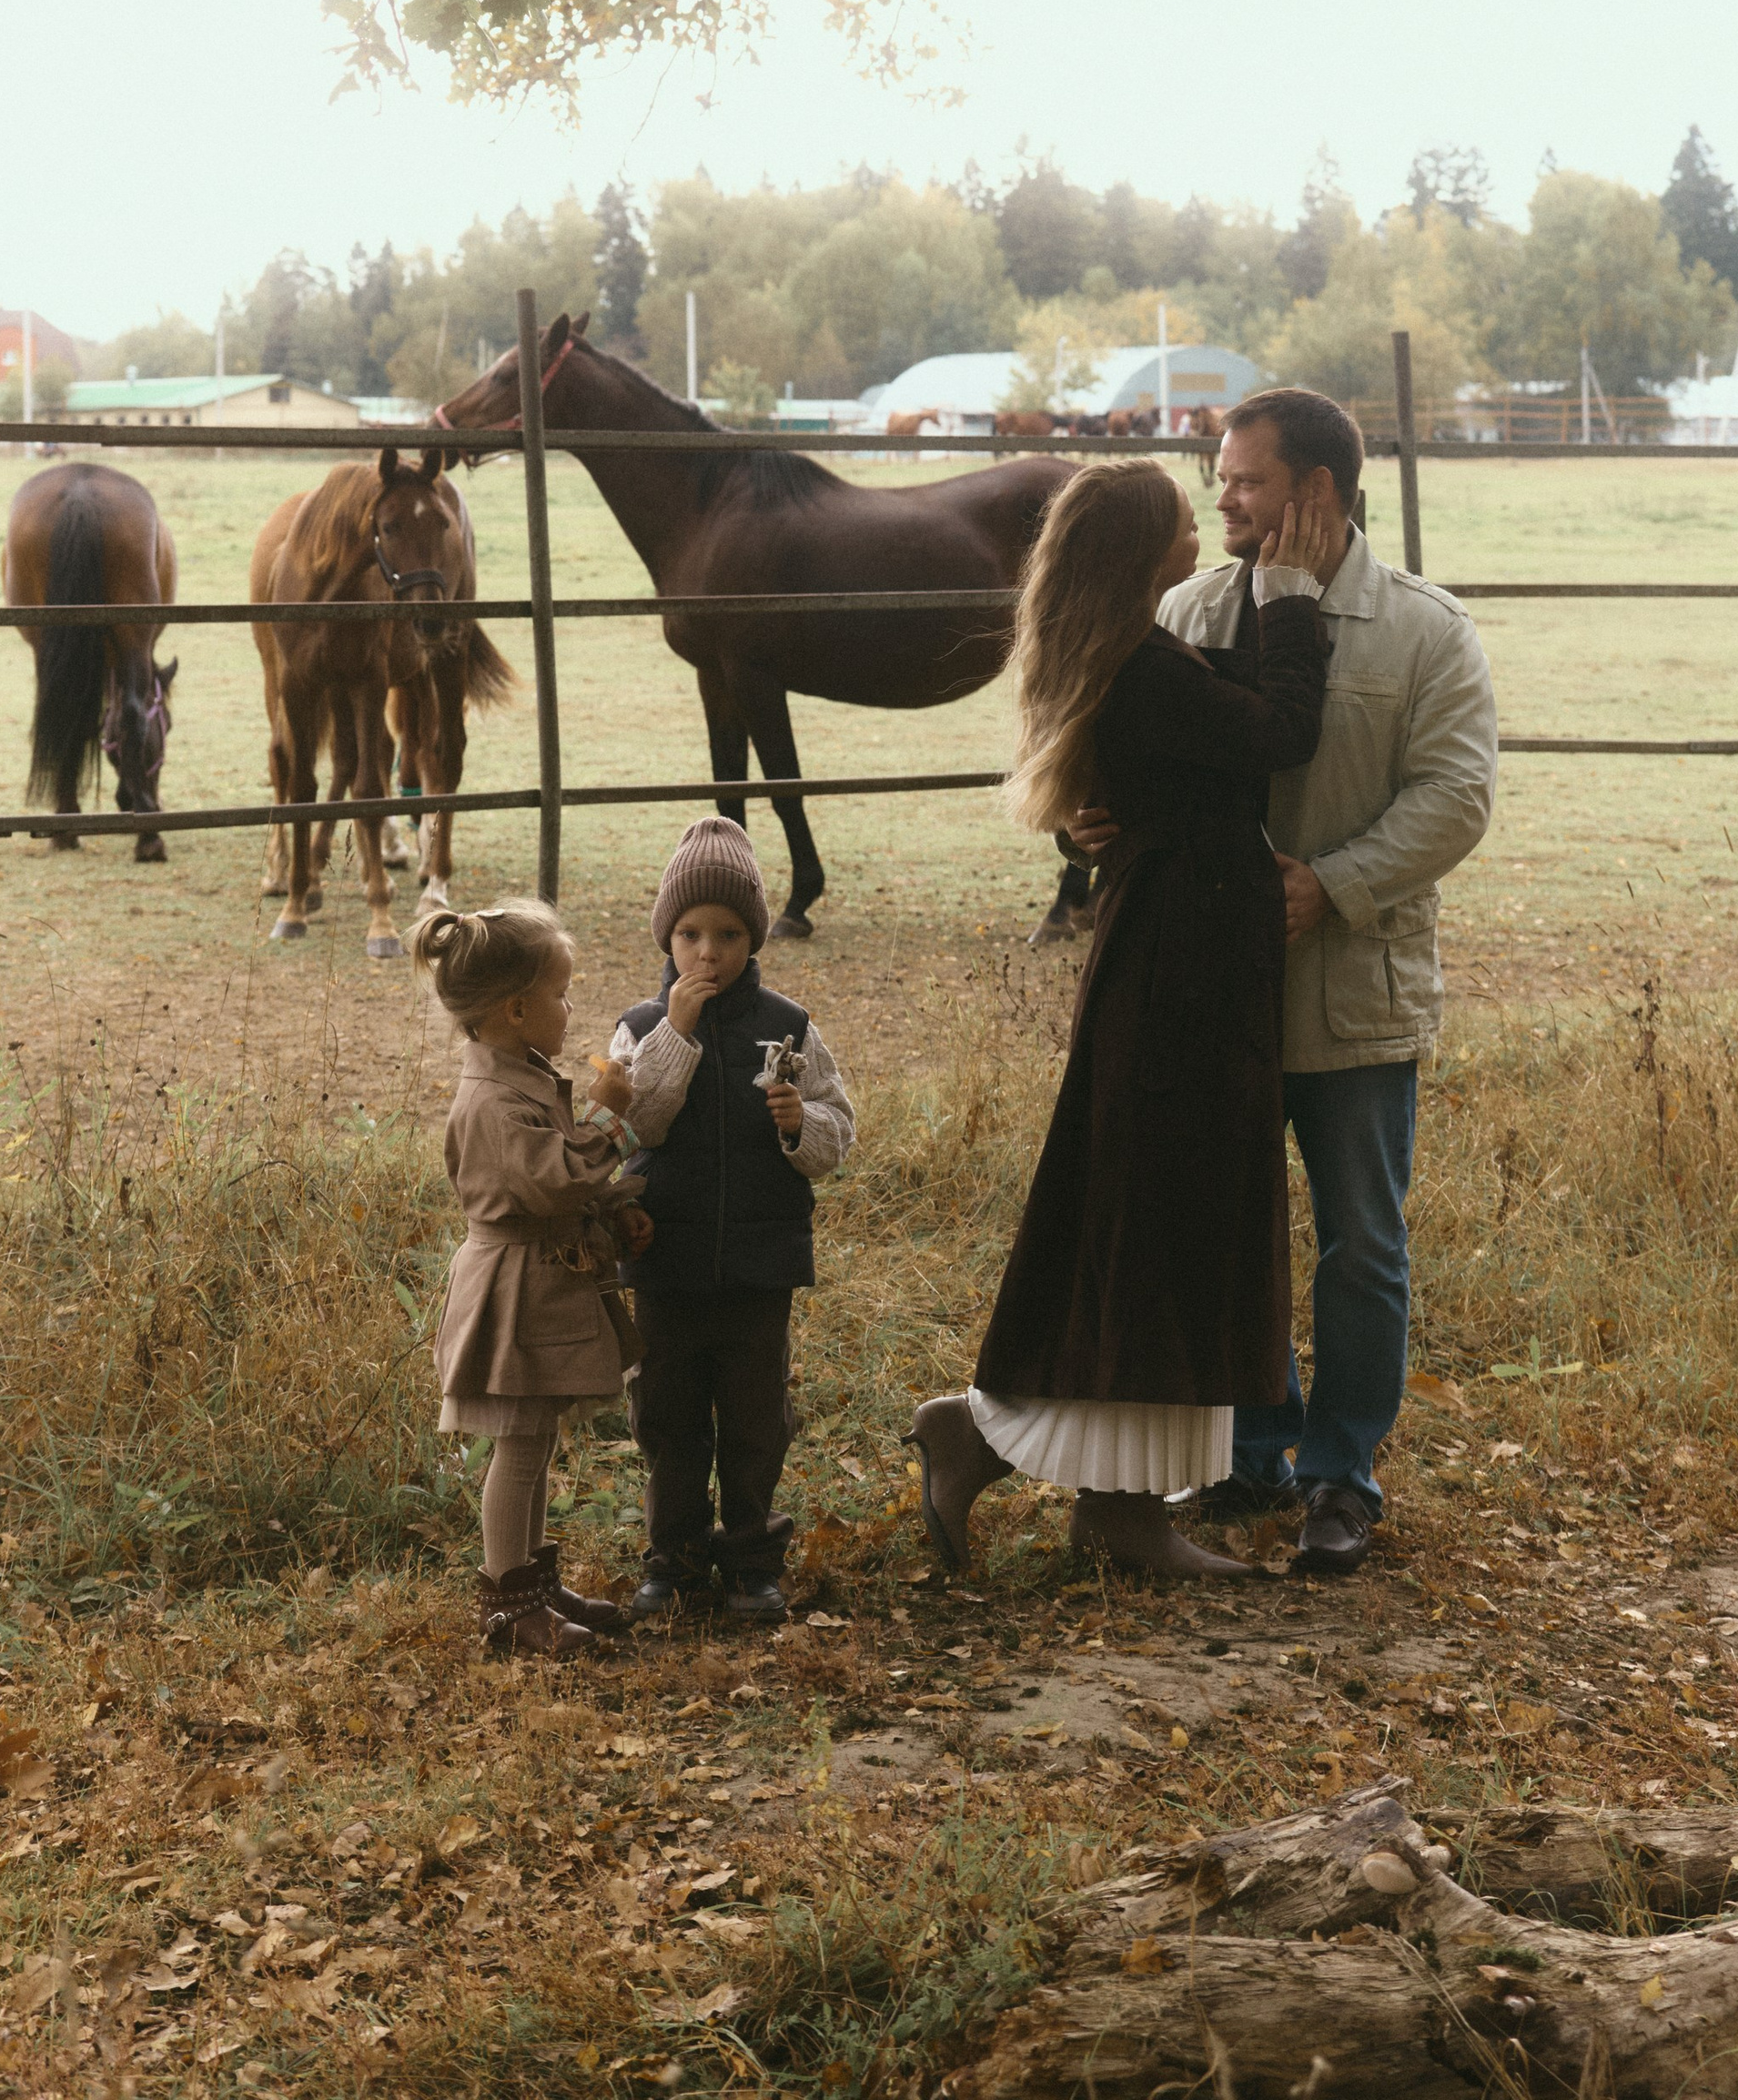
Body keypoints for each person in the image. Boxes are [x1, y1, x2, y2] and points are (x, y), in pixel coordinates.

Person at [1073, 386, 1497, 1577]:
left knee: (1361, 1244)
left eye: (1246, 480)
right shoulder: (1187, 607)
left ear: (1315, 492)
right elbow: (1135, 751)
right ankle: (1250, 1450)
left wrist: (1337, 887)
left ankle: (1340, 1475)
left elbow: (1457, 798)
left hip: (1349, 994)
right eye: (1220, 475)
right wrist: (1096, 822)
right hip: (1210, 993)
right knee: (1227, 1226)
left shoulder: (1425, 631)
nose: (1223, 497)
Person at [905, 458, 1334, 1582]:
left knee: (1154, 1218)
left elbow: (1226, 701)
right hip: (1178, 970)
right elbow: (1279, 729)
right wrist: (1292, 598)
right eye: (1190, 512)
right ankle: (1065, 1480)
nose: (1209, 515)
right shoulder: (1143, 669)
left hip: (1182, 956)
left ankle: (1083, 1488)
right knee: (1157, 1221)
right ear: (1151, 549)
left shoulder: (1140, 655)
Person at [601, 817, 856, 1625]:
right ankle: (670, 1562)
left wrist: (796, 1125)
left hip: (760, 1261)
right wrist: (675, 1034)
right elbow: (639, 1126)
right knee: (668, 1418)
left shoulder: (790, 1025)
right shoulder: (640, 1028)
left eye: (729, 934)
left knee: (755, 1418)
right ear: (666, 936)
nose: (707, 953)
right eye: (689, 934)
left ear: (755, 937)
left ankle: (751, 1559)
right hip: (666, 1261)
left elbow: (836, 1133)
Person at [418, 897, 652, 1660]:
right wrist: (610, 1120)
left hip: (538, 1279)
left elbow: (555, 1184)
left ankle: (533, 1586)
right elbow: (551, 1182)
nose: (570, 1005)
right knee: (518, 1447)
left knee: (535, 1439)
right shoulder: (491, 1100)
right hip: (512, 1290)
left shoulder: (521, 1076)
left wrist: (615, 1209)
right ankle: (508, 1604)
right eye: (560, 993)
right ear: (517, 1009)